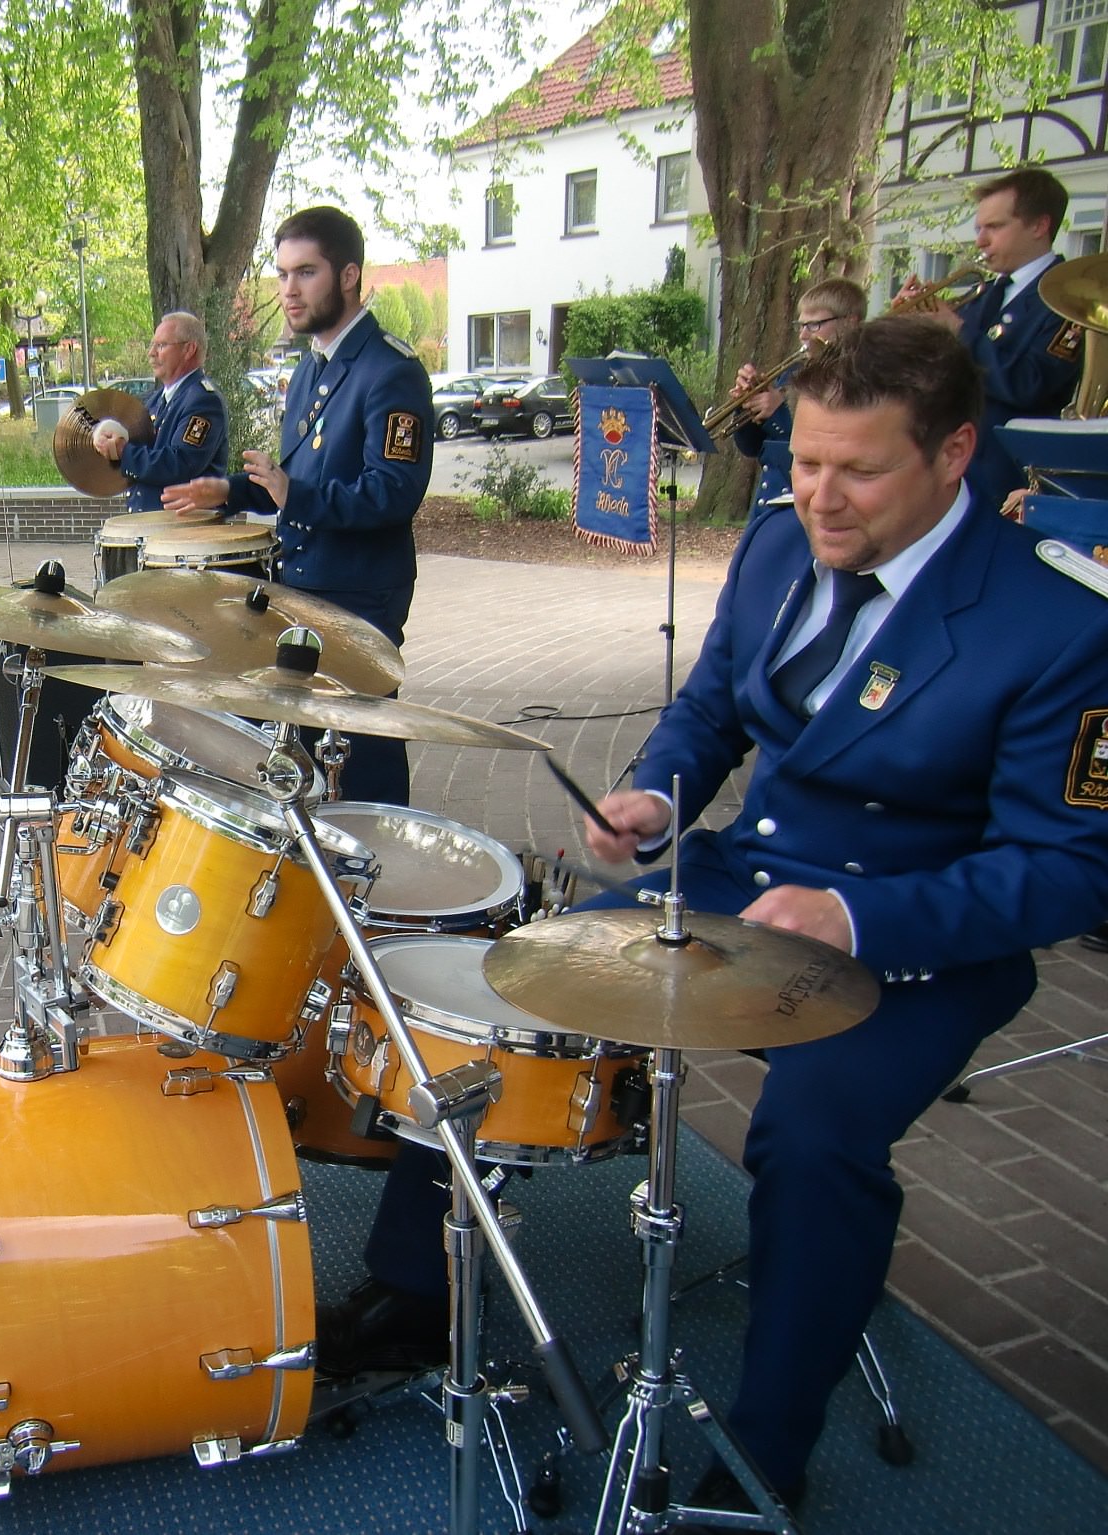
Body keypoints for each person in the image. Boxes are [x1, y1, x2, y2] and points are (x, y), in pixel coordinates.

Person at [341, 315, 1108, 1518]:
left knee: (810, 1137)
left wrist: (855, 917)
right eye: (803, 460)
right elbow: (709, 709)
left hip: (919, 936)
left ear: (954, 452)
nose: (819, 495)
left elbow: (1069, 869)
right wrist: (654, 794)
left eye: (857, 470)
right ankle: (409, 1291)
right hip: (746, 877)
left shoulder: (1057, 620)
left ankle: (764, 1446)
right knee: (497, 983)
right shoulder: (776, 542)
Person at [163, 206, 432, 804]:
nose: (288, 289)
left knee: (361, 753)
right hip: (305, 586)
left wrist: (295, 494)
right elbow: (298, 477)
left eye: (306, 272)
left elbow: (394, 491)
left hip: (361, 594)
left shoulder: (390, 370)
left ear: (348, 275)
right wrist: (231, 490)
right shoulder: (313, 367)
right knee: (298, 752)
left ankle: (380, 856)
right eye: (282, 274)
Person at [900, 166, 1083, 516]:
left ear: (1039, 226)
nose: (980, 241)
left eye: (994, 227)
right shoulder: (983, 294)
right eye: (978, 229)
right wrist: (916, 327)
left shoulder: (1067, 300)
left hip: (1008, 479)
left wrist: (958, 331)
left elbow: (1029, 384)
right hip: (950, 469)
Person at [725, 278, 865, 520]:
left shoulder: (857, 378)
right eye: (800, 326)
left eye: (814, 325)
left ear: (849, 322)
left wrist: (778, 413)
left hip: (810, 510)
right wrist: (747, 405)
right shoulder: (794, 373)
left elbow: (822, 454)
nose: (803, 335)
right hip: (769, 507)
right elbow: (751, 447)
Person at [89, 311, 228, 511]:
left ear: (189, 350)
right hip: (153, 524)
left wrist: (123, 451)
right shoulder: (156, 400)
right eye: (152, 345)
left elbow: (179, 463)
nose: (151, 353)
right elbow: (140, 448)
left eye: (161, 345)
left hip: (185, 526)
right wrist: (107, 440)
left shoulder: (203, 401)